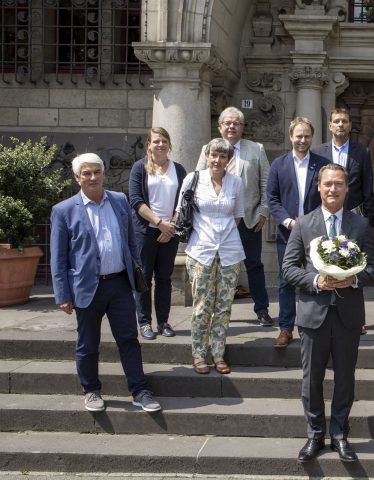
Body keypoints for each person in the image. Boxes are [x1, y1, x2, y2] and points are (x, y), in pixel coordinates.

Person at [283, 163, 374, 463]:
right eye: (328, 184)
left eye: (339, 184)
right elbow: (289, 268)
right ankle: (314, 434)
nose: (333, 189)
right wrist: (315, 281)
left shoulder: (360, 225)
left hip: (348, 316)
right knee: (311, 379)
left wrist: (354, 278)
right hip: (314, 314)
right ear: (319, 187)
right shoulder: (303, 224)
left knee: (345, 379)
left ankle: (339, 434)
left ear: (347, 188)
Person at [50, 152, 161, 413]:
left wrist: (136, 273)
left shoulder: (120, 201)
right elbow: (59, 258)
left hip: (119, 285)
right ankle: (91, 390)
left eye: (96, 172)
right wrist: (62, 295)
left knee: (129, 339)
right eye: (86, 173)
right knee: (88, 344)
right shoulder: (63, 211)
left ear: (104, 173)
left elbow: (130, 241)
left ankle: (139, 390)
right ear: (77, 178)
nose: (92, 177)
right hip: (86, 288)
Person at [196, 107, 273, 326]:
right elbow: (198, 181)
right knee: (215, 267)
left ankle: (262, 310)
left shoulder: (255, 149)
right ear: (220, 127)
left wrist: (263, 212)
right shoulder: (208, 149)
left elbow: (266, 183)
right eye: (227, 123)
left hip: (248, 219)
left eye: (236, 123)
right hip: (215, 222)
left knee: (254, 265)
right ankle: (217, 312)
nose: (231, 126)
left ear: (242, 127)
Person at [178, 138, 245, 375]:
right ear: (207, 155)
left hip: (229, 251)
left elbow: (237, 216)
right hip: (201, 251)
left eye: (223, 156)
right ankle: (198, 354)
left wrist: (222, 235)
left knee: (224, 306)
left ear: (229, 160)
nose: (217, 160)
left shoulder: (236, 182)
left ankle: (218, 353)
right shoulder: (192, 179)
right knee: (202, 305)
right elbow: (181, 212)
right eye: (213, 155)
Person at [267, 117, 330, 348]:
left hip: (316, 232)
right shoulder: (278, 165)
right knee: (286, 281)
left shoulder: (322, 164)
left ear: (312, 137)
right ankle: (285, 328)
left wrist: (313, 223)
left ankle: (313, 325)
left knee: (316, 278)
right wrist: (287, 221)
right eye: (299, 136)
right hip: (288, 233)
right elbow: (272, 199)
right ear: (291, 136)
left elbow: (327, 194)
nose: (303, 140)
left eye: (307, 136)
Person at [128, 127, 187, 340]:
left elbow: (184, 201)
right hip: (145, 232)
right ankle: (144, 322)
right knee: (143, 277)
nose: (160, 144)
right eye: (156, 141)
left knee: (164, 278)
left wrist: (170, 226)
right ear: (149, 145)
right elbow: (135, 201)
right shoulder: (139, 168)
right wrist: (159, 222)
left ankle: (163, 322)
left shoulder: (179, 170)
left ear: (169, 144)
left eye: (164, 141)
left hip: (169, 232)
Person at [311, 108, 374, 227]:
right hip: (324, 217)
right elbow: (315, 187)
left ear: (350, 126)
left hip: (354, 216)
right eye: (336, 121)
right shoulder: (317, 152)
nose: (340, 125)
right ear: (330, 126)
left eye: (344, 121)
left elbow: (367, 187)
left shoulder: (362, 152)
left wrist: (369, 220)